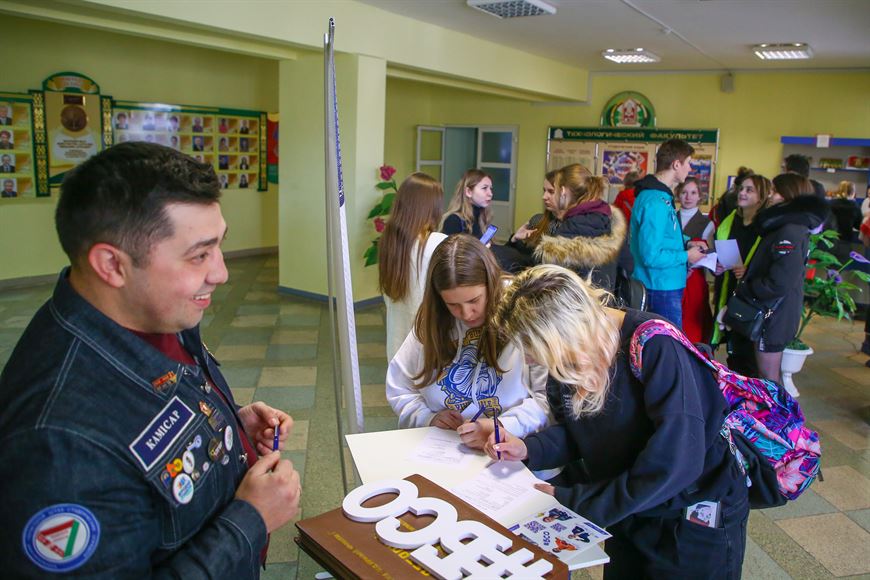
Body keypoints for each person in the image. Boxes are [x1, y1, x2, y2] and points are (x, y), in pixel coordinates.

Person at [0, 142, 301, 577]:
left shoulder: (158, 313)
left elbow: (152, 421)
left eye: (220, 246)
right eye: (199, 254)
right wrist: (250, 520)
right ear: (112, 265)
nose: (221, 272)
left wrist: (225, 423)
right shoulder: (58, 445)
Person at [486, 265, 749, 579]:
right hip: (629, 506)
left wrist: (578, 502)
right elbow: (583, 433)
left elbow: (676, 463)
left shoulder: (656, 346)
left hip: (688, 519)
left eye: (533, 350)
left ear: (565, 332)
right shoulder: (572, 355)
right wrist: (529, 449)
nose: (530, 359)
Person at [385, 234, 548, 450]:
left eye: (474, 300)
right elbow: (400, 387)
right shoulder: (433, 322)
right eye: (453, 305)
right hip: (444, 447)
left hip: (511, 450)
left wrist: (502, 426)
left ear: (491, 285)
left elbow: (545, 399)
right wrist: (427, 418)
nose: (466, 314)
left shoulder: (523, 317)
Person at [733, 174, 829, 382]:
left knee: (768, 378)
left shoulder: (789, 230)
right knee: (765, 377)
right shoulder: (784, 226)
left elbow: (779, 283)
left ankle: (776, 406)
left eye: (775, 191)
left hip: (774, 316)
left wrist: (747, 287)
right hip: (772, 312)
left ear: (789, 195)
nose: (770, 195)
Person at [630, 139, 706, 328]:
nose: (690, 169)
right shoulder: (655, 201)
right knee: (667, 343)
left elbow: (665, 235)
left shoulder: (661, 196)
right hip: (659, 287)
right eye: (688, 163)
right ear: (676, 164)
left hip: (665, 284)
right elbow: (651, 256)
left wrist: (687, 243)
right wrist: (687, 256)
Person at [378, 172, 448, 359]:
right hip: (427, 349)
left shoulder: (390, 244)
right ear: (432, 208)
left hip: (397, 348)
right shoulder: (438, 243)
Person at [528, 165, 626, 292]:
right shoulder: (609, 222)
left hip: (575, 302)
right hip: (602, 300)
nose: (546, 196)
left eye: (553, 191)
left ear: (563, 192)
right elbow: (628, 265)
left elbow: (542, 274)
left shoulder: (571, 227)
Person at [711, 174, 770, 376]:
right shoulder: (730, 221)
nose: (742, 193)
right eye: (741, 189)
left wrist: (749, 270)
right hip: (729, 294)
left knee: (749, 360)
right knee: (733, 354)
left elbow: (771, 266)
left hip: (752, 300)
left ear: (761, 197)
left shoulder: (766, 227)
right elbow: (723, 254)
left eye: (749, 190)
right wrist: (718, 266)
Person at [677, 177, 714, 343]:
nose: (688, 197)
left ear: (700, 196)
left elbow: (711, 254)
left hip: (695, 280)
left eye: (693, 193)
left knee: (693, 325)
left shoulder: (707, 223)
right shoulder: (670, 218)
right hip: (672, 275)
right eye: (684, 192)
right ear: (678, 194)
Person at [441, 169, 492, 237]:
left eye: (490, 188)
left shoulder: (482, 216)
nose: (490, 194)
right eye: (484, 188)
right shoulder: (453, 221)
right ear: (468, 192)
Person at [829, 180, 862, 263]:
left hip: (829, 240)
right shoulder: (854, 206)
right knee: (840, 266)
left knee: (828, 266)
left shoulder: (831, 203)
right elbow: (859, 225)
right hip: (845, 241)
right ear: (853, 192)